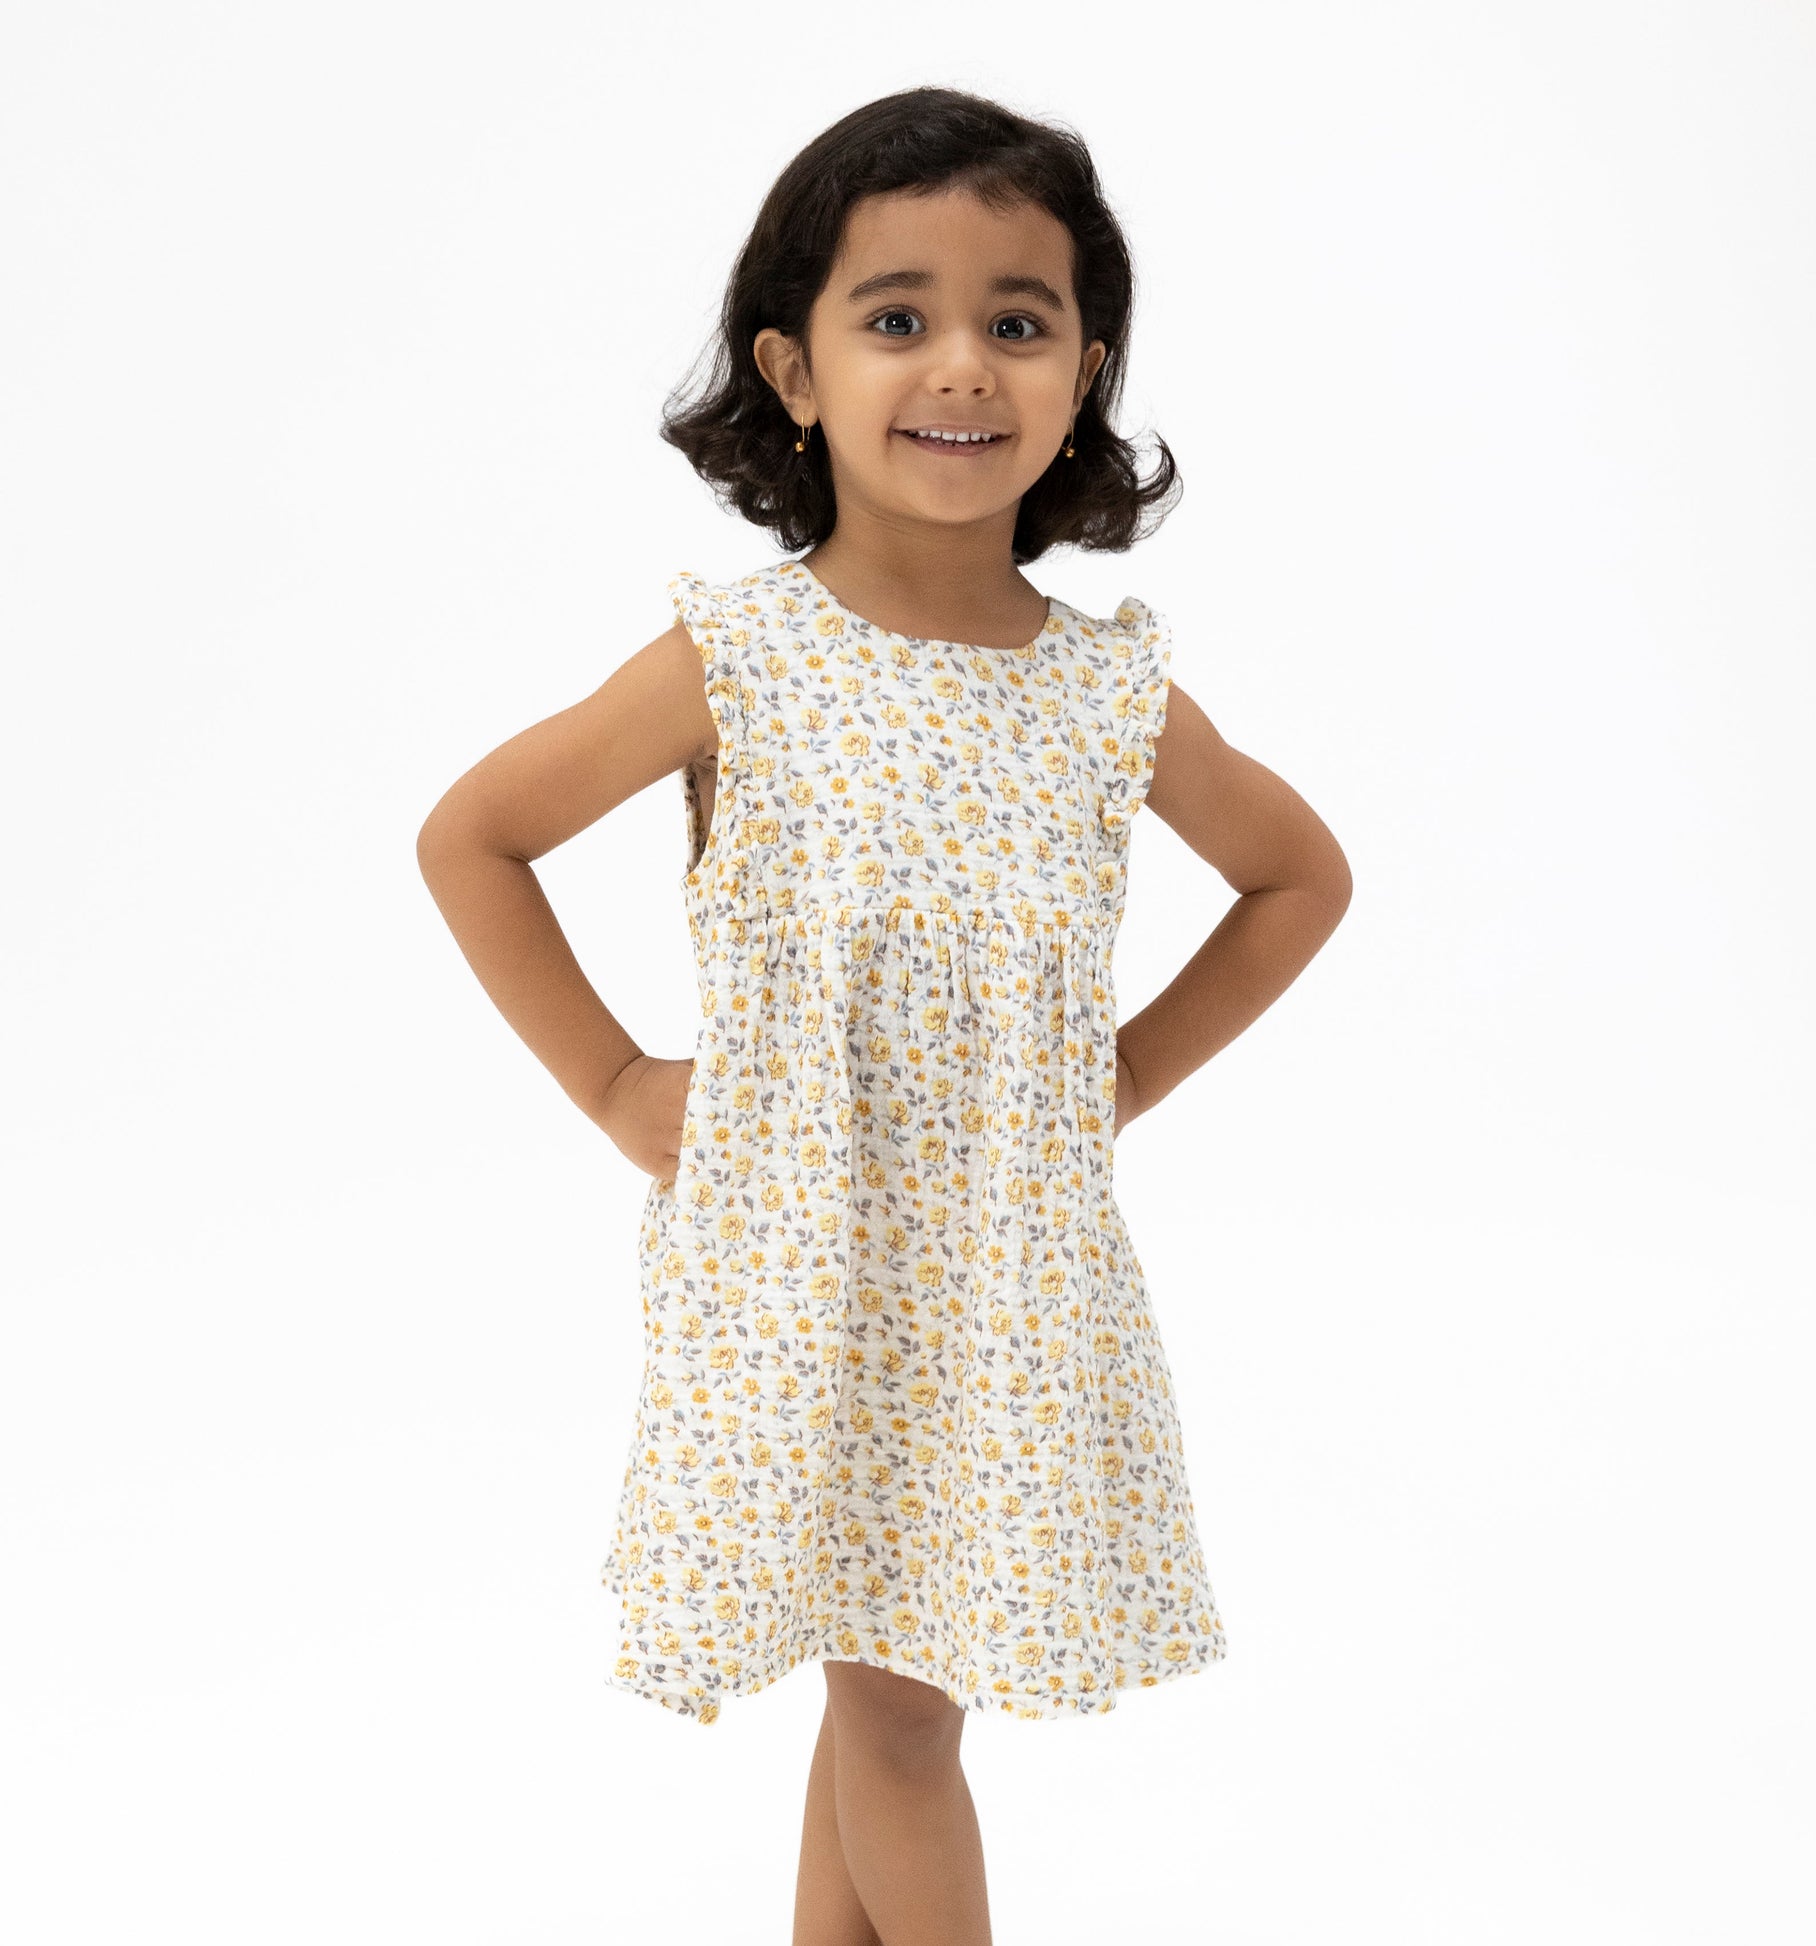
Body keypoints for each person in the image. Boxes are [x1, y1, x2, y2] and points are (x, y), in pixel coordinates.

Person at [418, 82, 1353, 1946]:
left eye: (1019, 319)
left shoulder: (1103, 694)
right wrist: (613, 1082)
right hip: (795, 1265)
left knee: (891, 1694)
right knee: (897, 1710)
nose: (962, 364)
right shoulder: (742, 656)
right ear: (794, 367)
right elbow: (476, 837)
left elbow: (1296, 879)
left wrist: (1113, 1081)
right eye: (897, 314)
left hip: (1002, 1277)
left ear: (1084, 373)